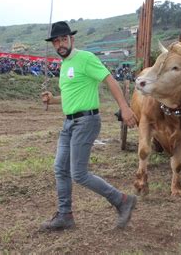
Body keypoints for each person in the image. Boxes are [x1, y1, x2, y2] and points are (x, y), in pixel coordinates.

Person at [40, 21, 138, 231]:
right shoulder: (65, 65)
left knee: (79, 174)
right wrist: (53, 100)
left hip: (86, 121)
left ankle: (122, 201)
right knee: (60, 168)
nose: (60, 45)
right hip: (69, 123)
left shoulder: (85, 58)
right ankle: (65, 216)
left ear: (71, 39)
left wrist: (125, 108)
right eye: (56, 41)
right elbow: (70, 96)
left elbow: (110, 80)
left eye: (63, 39)